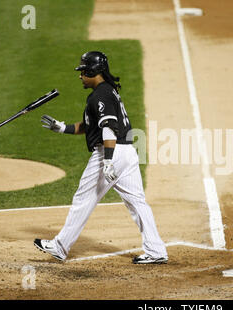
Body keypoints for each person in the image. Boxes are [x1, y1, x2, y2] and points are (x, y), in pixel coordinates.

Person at [34, 51, 168, 264]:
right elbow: (89, 127)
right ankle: (156, 250)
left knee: (83, 198)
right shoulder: (108, 92)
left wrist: (107, 161)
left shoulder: (100, 95)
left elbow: (108, 129)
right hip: (126, 153)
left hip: (110, 153)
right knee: (137, 203)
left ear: (93, 72)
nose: (80, 76)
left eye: (83, 72)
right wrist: (62, 128)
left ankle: (60, 246)